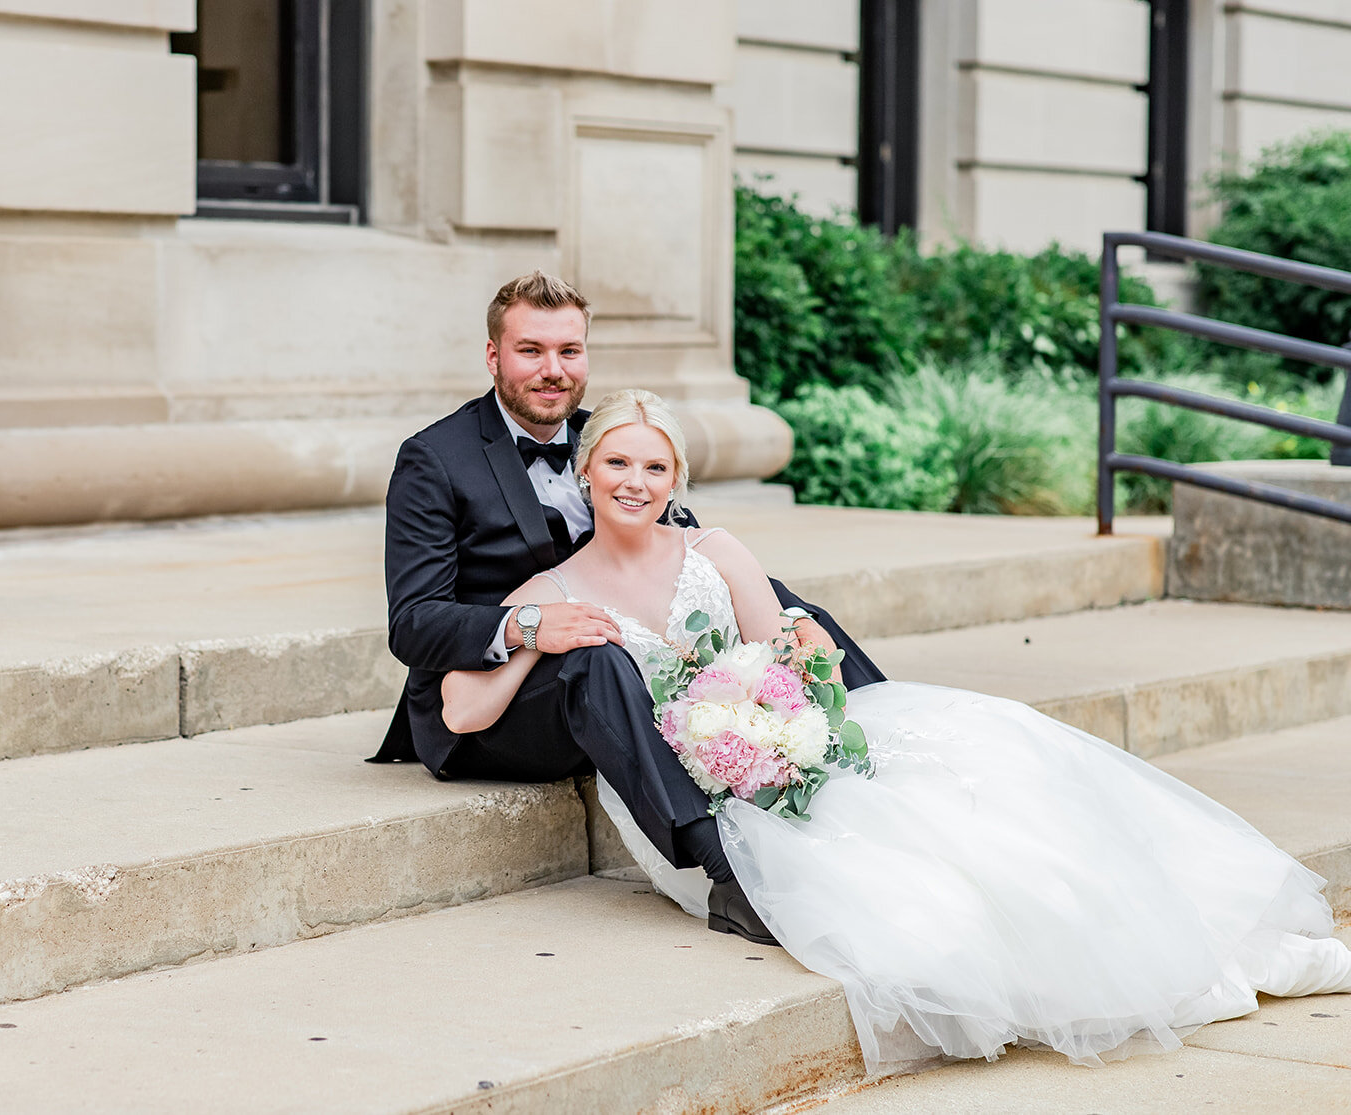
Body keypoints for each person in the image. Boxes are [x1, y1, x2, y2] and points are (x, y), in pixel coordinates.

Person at [440, 386, 1351, 1074]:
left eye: (655, 467)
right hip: (686, 790)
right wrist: (529, 635)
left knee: (992, 776)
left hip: (780, 752)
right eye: (618, 464)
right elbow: (463, 711)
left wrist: (802, 668)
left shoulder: (714, 552)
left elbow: (784, 657)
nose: (635, 483)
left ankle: (1174, 944)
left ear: (675, 477)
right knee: (912, 910)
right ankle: (734, 881)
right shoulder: (553, 588)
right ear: (589, 470)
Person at [372, 271, 885, 945]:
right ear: (493, 356)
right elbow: (412, 622)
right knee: (595, 657)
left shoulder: (606, 439)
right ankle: (725, 871)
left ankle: (877, 765)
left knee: (796, 613)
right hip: (496, 701)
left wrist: (791, 614)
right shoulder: (434, 460)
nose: (552, 370)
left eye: (569, 351)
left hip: (617, 661)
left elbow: (685, 553)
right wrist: (527, 623)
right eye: (531, 350)